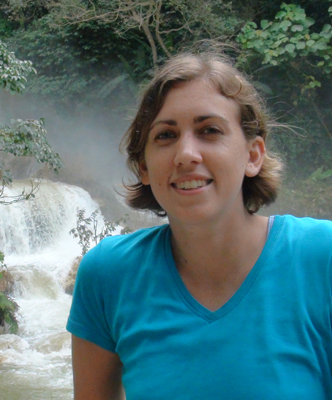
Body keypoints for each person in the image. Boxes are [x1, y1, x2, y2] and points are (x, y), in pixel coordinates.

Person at [67, 52, 332, 399]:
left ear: (253, 155)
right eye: (165, 135)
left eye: (209, 130)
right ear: (143, 167)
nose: (186, 154)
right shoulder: (107, 275)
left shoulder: (320, 258)